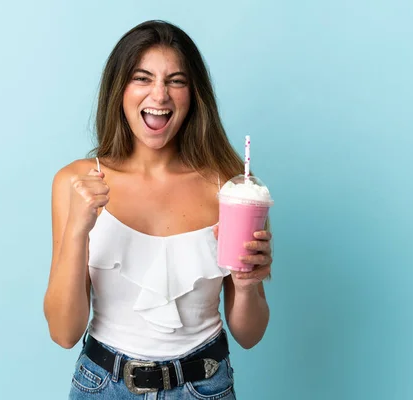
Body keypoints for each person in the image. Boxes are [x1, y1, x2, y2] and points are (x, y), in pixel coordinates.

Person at [43, 20, 273, 399]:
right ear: (120, 90)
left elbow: (250, 334)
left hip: (205, 386)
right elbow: (64, 333)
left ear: (193, 94)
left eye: (176, 81)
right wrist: (77, 231)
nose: (160, 95)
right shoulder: (76, 183)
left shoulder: (233, 188)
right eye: (142, 78)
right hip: (103, 386)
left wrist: (248, 287)